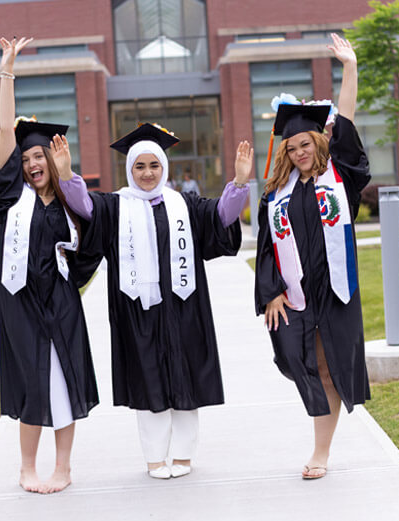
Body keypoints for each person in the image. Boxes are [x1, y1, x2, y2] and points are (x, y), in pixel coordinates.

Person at [55, 123, 254, 479]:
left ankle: (183, 455)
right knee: (148, 381)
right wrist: (67, 174)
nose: (147, 173)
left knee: (186, 378)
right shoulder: (115, 206)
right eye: (140, 166)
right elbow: (84, 207)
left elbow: (222, 216)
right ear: (129, 170)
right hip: (138, 312)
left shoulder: (184, 204)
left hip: (184, 308)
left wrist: (239, 182)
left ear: (165, 167)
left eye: (154, 165)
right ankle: (154, 458)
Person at [0, 36, 100, 494]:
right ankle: (27, 468)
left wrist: (68, 175)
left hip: (62, 302)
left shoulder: (70, 201)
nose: (33, 163)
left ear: (52, 160)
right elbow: (4, 130)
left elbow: (91, 243)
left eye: (40, 157)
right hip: (20, 303)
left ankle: (63, 468)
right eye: (27, 158)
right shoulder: (11, 196)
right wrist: (7, 71)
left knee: (63, 381)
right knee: (33, 381)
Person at [253, 33, 370, 480]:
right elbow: (267, 247)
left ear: (319, 142)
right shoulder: (276, 196)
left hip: (335, 290)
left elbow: (348, 122)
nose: (299, 152)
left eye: (305, 144)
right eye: (292, 147)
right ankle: (320, 441)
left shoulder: (339, 177)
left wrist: (350, 68)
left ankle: (321, 451)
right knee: (297, 361)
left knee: (327, 366)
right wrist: (271, 292)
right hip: (297, 295)